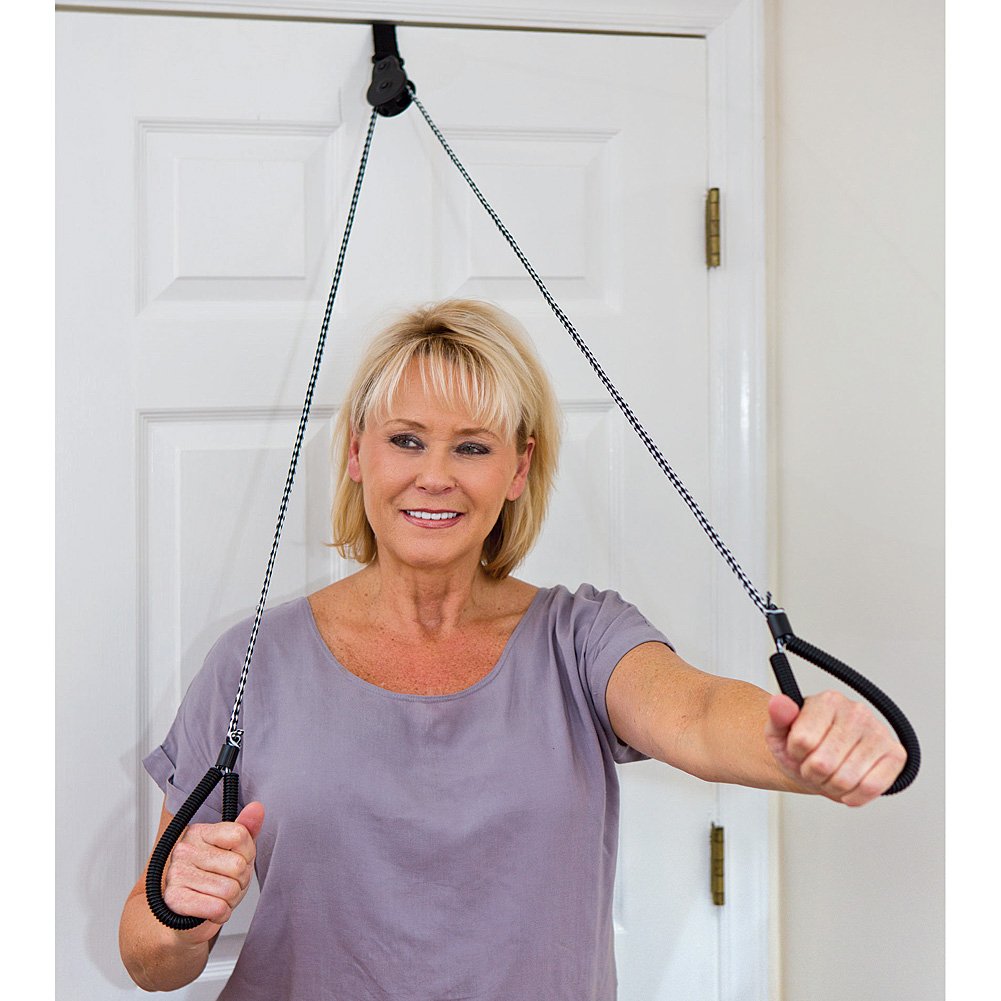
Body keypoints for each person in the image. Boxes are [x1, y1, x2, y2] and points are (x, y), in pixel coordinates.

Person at [119, 299, 906, 999]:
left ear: (517, 469)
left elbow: (697, 712)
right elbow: (151, 960)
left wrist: (801, 745)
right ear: (358, 455)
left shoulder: (580, 635)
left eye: (471, 447)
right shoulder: (255, 660)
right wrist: (178, 917)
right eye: (405, 439)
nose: (434, 476)